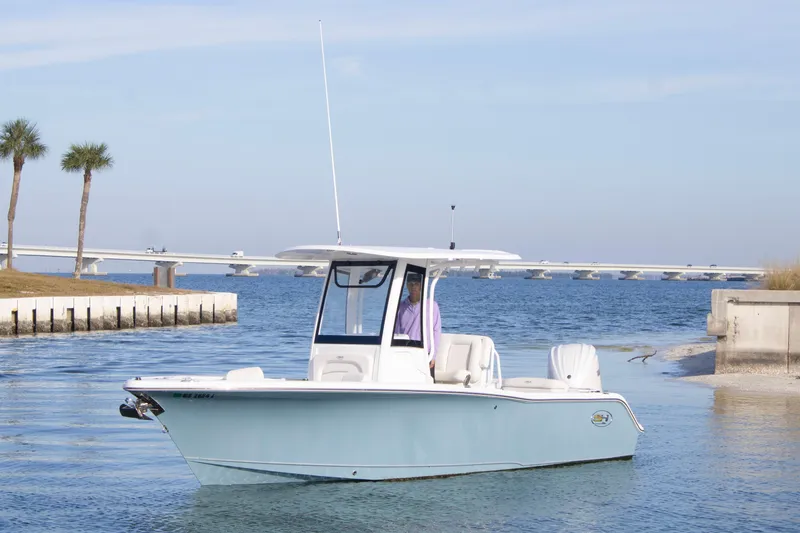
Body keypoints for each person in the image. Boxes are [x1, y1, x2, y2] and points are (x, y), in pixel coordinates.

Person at [394, 272, 441, 378]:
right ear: (407, 286)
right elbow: (396, 331)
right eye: (411, 284)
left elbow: (436, 331)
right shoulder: (400, 307)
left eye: (416, 284)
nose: (414, 287)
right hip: (405, 352)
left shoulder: (432, 305)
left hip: (425, 353)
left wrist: (433, 355)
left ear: (421, 285)